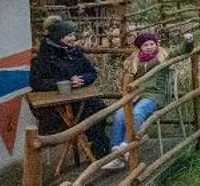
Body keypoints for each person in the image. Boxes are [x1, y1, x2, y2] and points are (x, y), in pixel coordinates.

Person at [30, 16, 110, 156]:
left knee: (100, 109)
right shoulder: (44, 58)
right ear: (58, 37)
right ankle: (100, 152)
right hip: (57, 106)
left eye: (73, 34)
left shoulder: (75, 52)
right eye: (69, 35)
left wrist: (83, 80)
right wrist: (66, 82)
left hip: (80, 98)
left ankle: (101, 149)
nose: (73, 38)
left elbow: (91, 72)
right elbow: (37, 82)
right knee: (92, 112)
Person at [103, 29, 183, 169]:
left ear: (156, 44)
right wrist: (129, 92)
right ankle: (115, 153)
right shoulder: (133, 63)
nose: (150, 47)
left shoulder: (161, 58)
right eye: (146, 45)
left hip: (154, 96)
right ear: (140, 47)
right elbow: (125, 83)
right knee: (120, 114)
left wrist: (188, 42)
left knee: (138, 112)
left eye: (152, 43)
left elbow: (179, 51)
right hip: (136, 96)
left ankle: (126, 147)